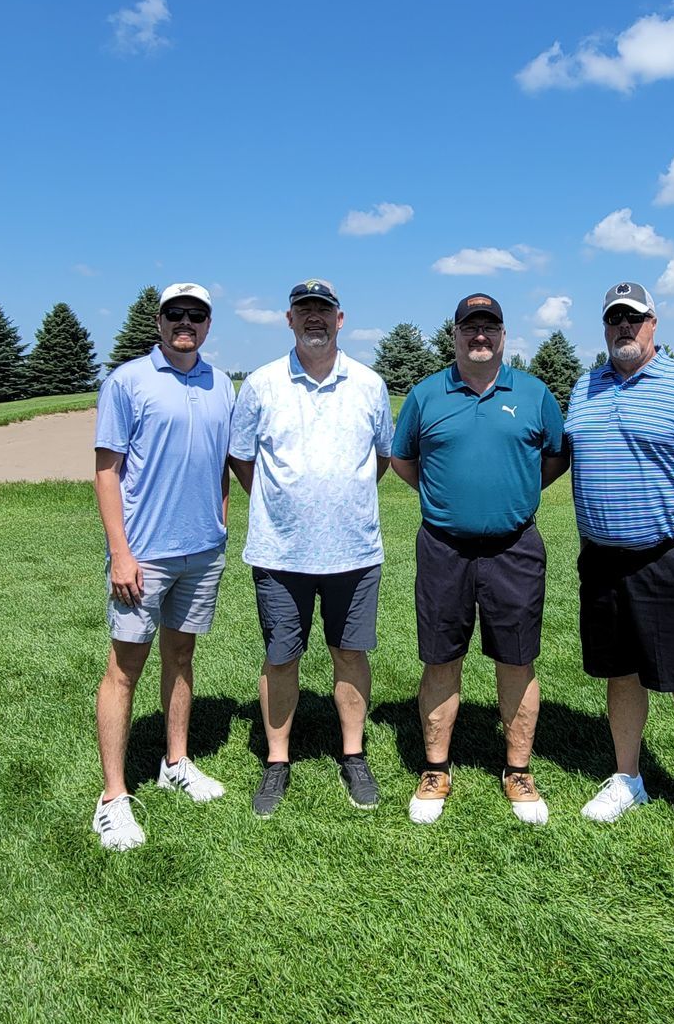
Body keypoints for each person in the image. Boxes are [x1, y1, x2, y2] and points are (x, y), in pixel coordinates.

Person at [563, 280, 674, 860]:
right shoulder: (585, 386)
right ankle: (627, 778)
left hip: (669, 557)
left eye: (633, 319)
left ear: (654, 323)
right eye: (614, 318)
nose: (623, 328)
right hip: (603, 559)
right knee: (620, 673)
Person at [389, 294, 569, 826]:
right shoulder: (425, 395)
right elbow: (404, 459)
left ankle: (517, 769)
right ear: (455, 335)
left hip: (515, 547)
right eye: (470, 328)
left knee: (517, 658)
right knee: (441, 656)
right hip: (443, 547)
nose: (480, 337)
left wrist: (512, 495)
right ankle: (436, 767)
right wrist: (447, 499)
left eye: (489, 327)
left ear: (504, 334)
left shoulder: (534, 394)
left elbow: (555, 456)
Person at [228, 279, 394, 818]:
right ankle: (277, 762)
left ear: (340, 320)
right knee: (282, 657)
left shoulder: (369, 384)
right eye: (305, 310)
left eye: (324, 310)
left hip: (354, 551)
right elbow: (242, 458)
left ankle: (353, 754)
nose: (315, 318)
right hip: (280, 554)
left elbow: (383, 459)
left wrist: (339, 500)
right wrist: (281, 504)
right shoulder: (261, 384)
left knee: (351, 653)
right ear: (290, 319)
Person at [90, 283, 237, 851]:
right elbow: (107, 472)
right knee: (124, 667)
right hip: (144, 554)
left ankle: (175, 762)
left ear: (207, 324)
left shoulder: (221, 383)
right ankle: (113, 797)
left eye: (196, 316)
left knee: (181, 655)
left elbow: (223, 461)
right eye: (175, 314)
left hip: (202, 551)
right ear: (159, 321)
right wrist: (121, 553)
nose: (185, 323)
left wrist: (221, 520)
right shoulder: (127, 381)